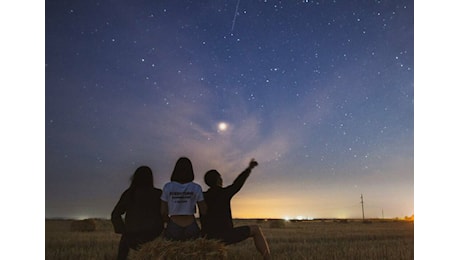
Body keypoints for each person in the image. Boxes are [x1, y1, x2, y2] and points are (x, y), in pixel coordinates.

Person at [202, 159, 271, 260]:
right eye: (220, 177)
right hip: (226, 236)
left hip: (207, 237)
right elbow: (238, 183)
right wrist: (249, 169)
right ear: (218, 180)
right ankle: (268, 258)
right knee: (256, 229)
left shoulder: (202, 196)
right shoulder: (224, 193)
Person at [111, 166, 164, 260]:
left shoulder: (129, 194)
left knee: (122, 253)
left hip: (132, 237)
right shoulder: (158, 194)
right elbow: (164, 213)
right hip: (154, 236)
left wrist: (123, 230)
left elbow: (115, 214)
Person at [160, 157, 207, 241]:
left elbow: (163, 211)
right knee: (193, 252)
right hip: (191, 224)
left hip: (173, 224)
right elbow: (203, 210)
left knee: (173, 253)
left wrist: (168, 222)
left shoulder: (168, 187)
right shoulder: (196, 187)